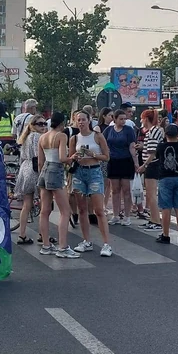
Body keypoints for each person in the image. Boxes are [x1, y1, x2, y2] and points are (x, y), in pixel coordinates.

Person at [69, 110, 113, 257]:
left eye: (83, 119)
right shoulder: (74, 138)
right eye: (78, 120)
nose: (80, 122)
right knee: (81, 209)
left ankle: (106, 244)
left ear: (89, 121)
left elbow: (106, 157)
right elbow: (70, 158)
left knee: (98, 210)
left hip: (94, 172)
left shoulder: (97, 136)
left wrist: (92, 155)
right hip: (79, 173)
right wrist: (74, 157)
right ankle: (86, 240)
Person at [37, 112, 80, 258]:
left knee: (45, 210)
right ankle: (63, 247)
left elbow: (40, 162)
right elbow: (62, 158)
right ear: (62, 123)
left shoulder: (42, 137)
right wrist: (72, 158)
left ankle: (46, 245)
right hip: (55, 170)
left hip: (44, 170)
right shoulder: (61, 136)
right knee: (65, 211)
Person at [14, 114, 46, 245]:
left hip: (25, 168)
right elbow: (38, 157)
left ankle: (22, 234)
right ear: (32, 125)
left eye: (45, 123)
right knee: (44, 203)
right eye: (40, 124)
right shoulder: (37, 137)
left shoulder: (26, 137)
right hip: (34, 169)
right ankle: (43, 234)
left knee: (26, 204)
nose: (43, 126)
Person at [103, 109, 138, 225]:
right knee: (115, 190)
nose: (123, 121)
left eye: (124, 119)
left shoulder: (129, 130)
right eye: (121, 119)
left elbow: (132, 147)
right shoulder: (108, 130)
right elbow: (103, 144)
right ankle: (116, 214)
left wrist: (136, 162)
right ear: (115, 119)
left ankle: (127, 216)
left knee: (126, 189)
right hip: (113, 161)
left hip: (126, 161)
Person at [137, 109, 164, 231]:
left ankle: (156, 221)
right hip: (153, 164)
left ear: (146, 119)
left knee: (151, 194)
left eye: (142, 118)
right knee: (150, 194)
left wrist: (144, 165)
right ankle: (153, 219)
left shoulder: (152, 132)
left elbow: (152, 153)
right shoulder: (155, 131)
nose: (141, 121)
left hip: (152, 165)